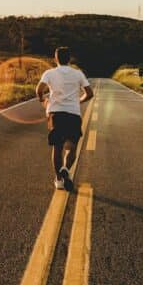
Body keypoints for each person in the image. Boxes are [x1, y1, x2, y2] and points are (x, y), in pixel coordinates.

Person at [36, 47, 94, 191]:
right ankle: (66, 169)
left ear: (56, 59)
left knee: (58, 147)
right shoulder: (78, 74)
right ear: (69, 59)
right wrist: (79, 101)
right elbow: (90, 93)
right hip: (73, 114)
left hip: (55, 114)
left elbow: (39, 90)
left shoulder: (49, 73)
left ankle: (59, 179)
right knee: (72, 147)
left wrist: (43, 101)